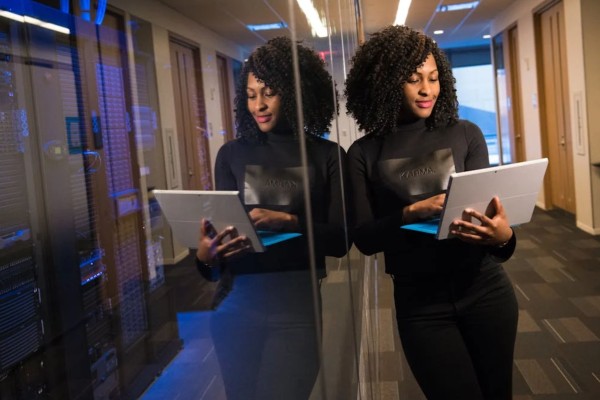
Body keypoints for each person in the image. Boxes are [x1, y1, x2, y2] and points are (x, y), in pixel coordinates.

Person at [344, 25, 518, 400]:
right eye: (413, 80)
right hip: (420, 305)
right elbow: (365, 238)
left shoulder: (466, 134)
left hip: (485, 290)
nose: (427, 90)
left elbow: (493, 232)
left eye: (434, 78)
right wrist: (411, 212)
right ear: (387, 83)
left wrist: (505, 238)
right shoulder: (363, 152)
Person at [195, 36, 350, 400]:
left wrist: (288, 221)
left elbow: (341, 240)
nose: (258, 105)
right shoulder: (230, 154)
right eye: (250, 95)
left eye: (268, 93)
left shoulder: (327, 155)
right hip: (234, 306)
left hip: (297, 309)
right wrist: (206, 255)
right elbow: (219, 254)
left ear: (295, 93)